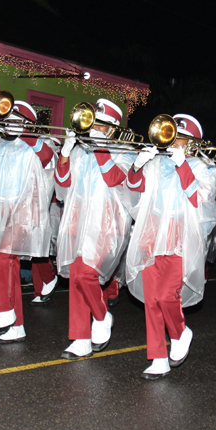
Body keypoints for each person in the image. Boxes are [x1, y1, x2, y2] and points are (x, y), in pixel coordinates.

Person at [125, 114, 216, 379]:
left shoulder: (204, 166)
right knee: (152, 301)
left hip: (181, 237)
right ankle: (157, 357)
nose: (175, 141)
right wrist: (137, 166)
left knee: (167, 296)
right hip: (152, 234)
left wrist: (183, 166)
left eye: (181, 138)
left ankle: (180, 332)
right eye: (173, 135)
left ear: (192, 142)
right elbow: (133, 190)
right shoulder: (156, 164)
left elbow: (200, 200)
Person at [0, 101, 57, 339]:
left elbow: (47, 158)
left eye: (15, 119)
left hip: (25, 212)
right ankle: (16, 326)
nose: (9, 124)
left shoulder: (37, 144)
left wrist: (25, 133)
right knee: (5, 264)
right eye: (7, 119)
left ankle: (6, 311)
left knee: (3, 258)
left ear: (26, 123)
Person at [55, 99, 135, 359]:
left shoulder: (125, 151)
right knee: (77, 276)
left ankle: (101, 316)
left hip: (106, 224)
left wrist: (99, 146)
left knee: (85, 274)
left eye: (100, 124)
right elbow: (62, 184)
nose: (94, 128)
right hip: (78, 221)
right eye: (93, 122)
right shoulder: (80, 150)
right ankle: (80, 338)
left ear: (112, 128)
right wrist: (66, 152)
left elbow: (114, 179)